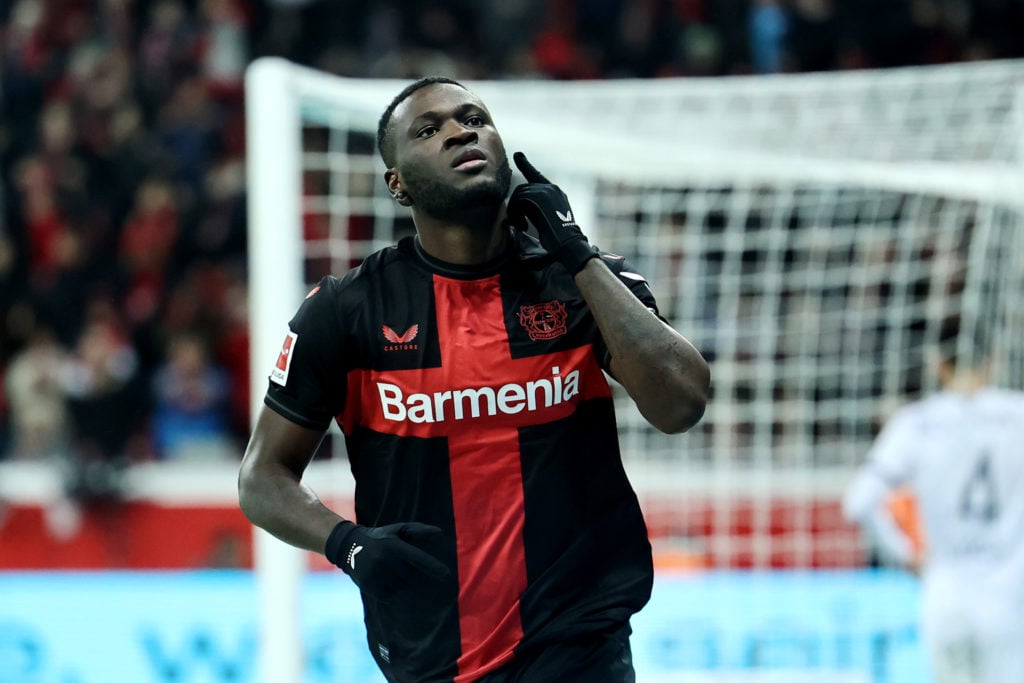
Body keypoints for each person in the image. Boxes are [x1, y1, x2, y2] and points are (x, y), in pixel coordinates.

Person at [238, 76, 710, 683]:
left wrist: (575, 252)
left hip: (579, 637)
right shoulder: (348, 311)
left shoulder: (579, 281)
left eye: (474, 118)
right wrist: (347, 543)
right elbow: (261, 477)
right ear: (397, 183)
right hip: (429, 649)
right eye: (429, 130)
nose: (462, 131)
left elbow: (682, 405)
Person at [843, 319, 1024, 683]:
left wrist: (905, 554)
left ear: (937, 364)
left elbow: (859, 502)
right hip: (1008, 589)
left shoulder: (918, 422)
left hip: (946, 587)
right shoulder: (1018, 414)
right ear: (994, 360)